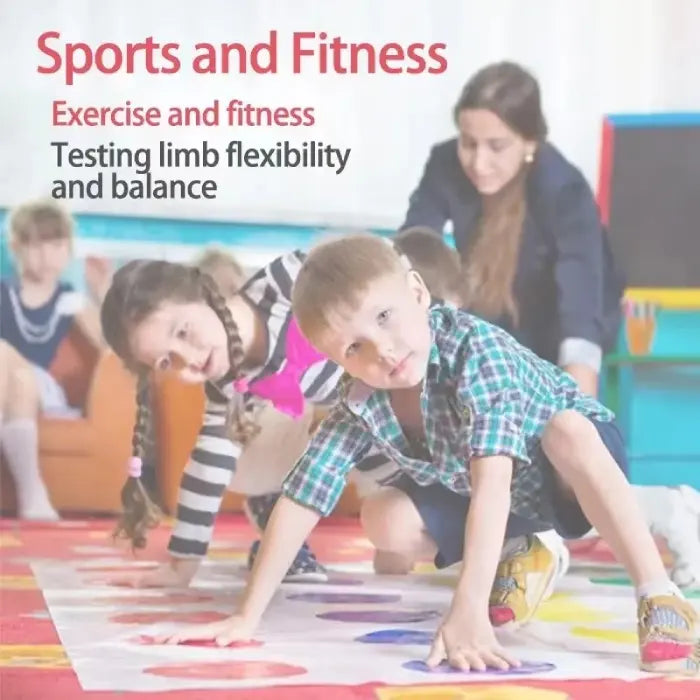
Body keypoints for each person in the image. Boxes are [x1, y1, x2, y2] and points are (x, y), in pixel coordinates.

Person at [159, 234, 698, 677]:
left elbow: (493, 482)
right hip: (505, 505)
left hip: (563, 471)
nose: (384, 351)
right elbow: (301, 499)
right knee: (385, 519)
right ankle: (525, 548)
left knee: (567, 430)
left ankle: (659, 596)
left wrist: (467, 610)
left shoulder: (475, 351)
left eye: (386, 318)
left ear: (417, 291)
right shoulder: (360, 401)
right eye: (354, 349)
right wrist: (245, 618)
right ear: (333, 360)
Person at [99, 245, 567, 613]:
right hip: (360, 438)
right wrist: (183, 563)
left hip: (419, 421)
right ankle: (274, 506)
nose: (187, 360)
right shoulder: (227, 382)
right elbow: (209, 464)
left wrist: (428, 326)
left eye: (183, 333)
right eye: (166, 362)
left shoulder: (285, 281)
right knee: (386, 547)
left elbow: (373, 273)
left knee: (397, 556)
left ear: (208, 293)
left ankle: (524, 536)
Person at [401, 61, 625, 398]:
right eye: (468, 142)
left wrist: (581, 411)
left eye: (497, 146)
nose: (478, 163)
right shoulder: (445, 162)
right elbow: (414, 248)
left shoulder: (565, 190)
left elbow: (580, 306)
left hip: (556, 320)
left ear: (530, 142)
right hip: (490, 307)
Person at [0, 199, 110, 520]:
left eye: (56, 246)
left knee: (12, 364)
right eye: (36, 246)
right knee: (10, 370)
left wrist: (101, 293)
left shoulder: (69, 300)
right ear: (16, 248)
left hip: (42, 390)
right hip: (9, 386)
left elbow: (110, 350)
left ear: (68, 250)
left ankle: (32, 490)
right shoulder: (4, 293)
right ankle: (33, 493)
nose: (47, 256)